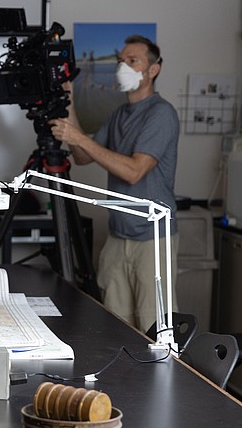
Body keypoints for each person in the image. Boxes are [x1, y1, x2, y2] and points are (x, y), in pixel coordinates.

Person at [49, 35, 179, 331]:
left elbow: (134, 171)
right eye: (121, 61)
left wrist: (78, 137)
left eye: (133, 61)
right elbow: (82, 156)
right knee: (115, 326)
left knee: (155, 328)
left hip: (152, 237)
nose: (123, 67)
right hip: (118, 235)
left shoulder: (162, 114)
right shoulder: (119, 114)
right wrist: (68, 102)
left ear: (153, 70)